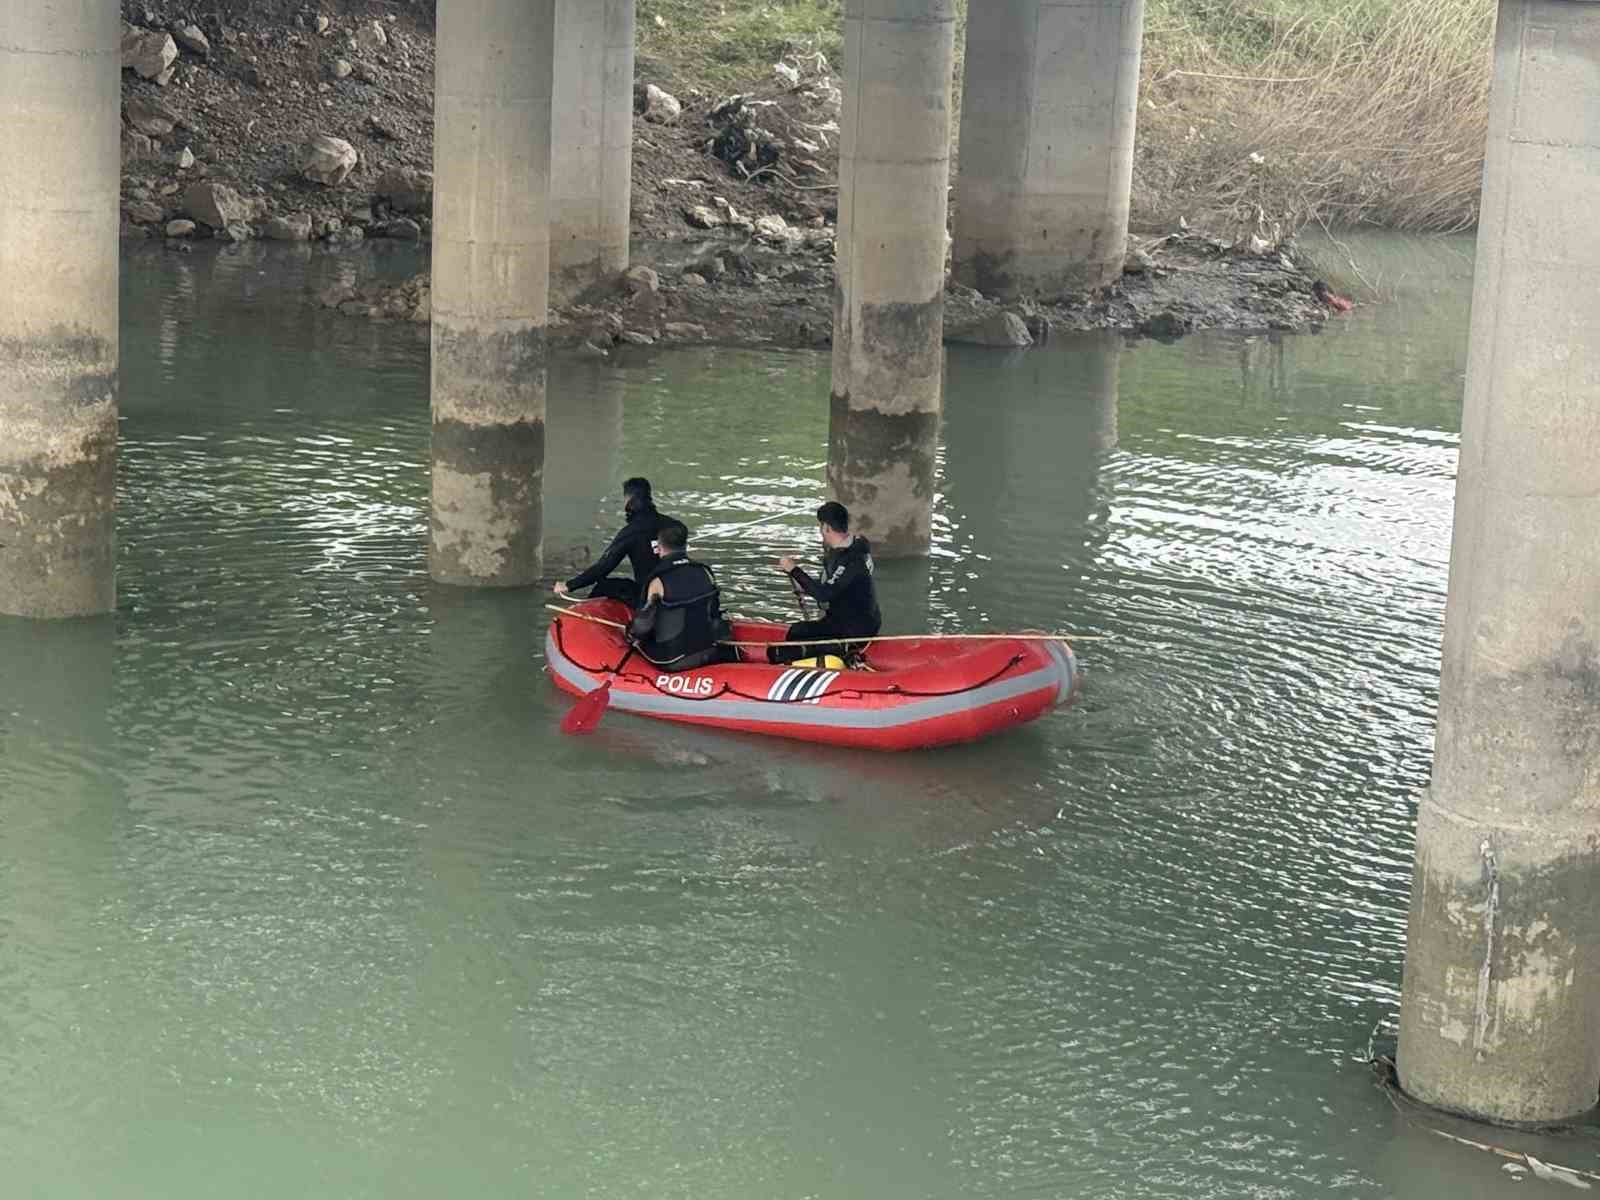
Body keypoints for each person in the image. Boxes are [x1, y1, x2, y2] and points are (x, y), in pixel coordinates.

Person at [768, 501, 882, 665]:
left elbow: (824, 594)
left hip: (854, 629)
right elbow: (838, 585)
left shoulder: (849, 560)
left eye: (821, 526)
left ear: (826, 527)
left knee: (780, 651)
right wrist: (805, 587)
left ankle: (840, 655)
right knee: (798, 631)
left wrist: (793, 569)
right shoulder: (858, 544)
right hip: (858, 619)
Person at [555, 477, 674, 608]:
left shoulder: (631, 532)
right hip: (677, 591)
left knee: (603, 586)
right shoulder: (675, 526)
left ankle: (590, 616)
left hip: (647, 597)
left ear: (628, 500)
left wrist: (569, 585)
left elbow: (603, 567)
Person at [627, 521, 730, 671]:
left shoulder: (658, 580)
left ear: (659, 547)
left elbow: (643, 626)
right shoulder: (705, 572)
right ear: (685, 545)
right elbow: (714, 613)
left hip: (673, 659)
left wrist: (629, 634)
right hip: (709, 651)